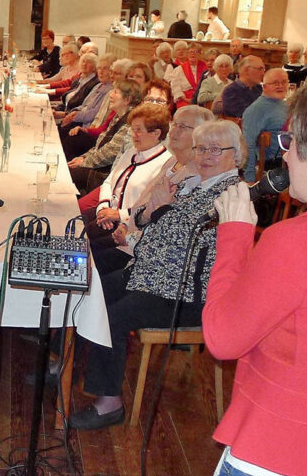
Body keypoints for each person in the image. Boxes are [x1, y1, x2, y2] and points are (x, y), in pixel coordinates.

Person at [203, 72, 307, 476]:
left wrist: (235, 237)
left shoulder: (296, 241)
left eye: (290, 143)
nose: (285, 155)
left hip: (278, 456)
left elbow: (223, 338)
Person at [69, 119, 243, 430]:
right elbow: (148, 219)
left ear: (238, 154)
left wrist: (160, 210)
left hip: (184, 292)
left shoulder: (233, 193)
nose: (205, 155)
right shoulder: (198, 183)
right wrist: (156, 211)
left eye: (216, 149)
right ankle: (67, 364)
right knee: (90, 290)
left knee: (111, 316)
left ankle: (109, 403)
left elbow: (185, 237)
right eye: (201, 147)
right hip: (151, 274)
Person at [83, 104, 173, 255]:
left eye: (139, 130)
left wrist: (118, 214)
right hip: (106, 215)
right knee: (73, 224)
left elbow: (150, 204)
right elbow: (108, 182)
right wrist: (103, 208)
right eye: (133, 129)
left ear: (156, 133)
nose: (133, 134)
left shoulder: (164, 164)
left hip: (127, 226)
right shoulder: (131, 152)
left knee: (87, 247)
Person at [67, 79, 143, 193]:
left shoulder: (130, 122)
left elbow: (110, 153)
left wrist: (84, 162)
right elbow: (100, 145)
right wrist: (83, 157)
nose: (110, 95)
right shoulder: (118, 116)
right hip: (99, 166)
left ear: (127, 99)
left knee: (68, 174)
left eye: (116, 92)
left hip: (106, 174)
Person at [241, 68, 289, 182]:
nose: (280, 86)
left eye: (284, 82)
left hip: (290, 160)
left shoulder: (284, 104)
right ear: (265, 86)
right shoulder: (256, 109)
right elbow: (248, 144)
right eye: (275, 83)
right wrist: (250, 178)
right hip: (276, 166)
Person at [170, 42, 207, 108]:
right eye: (190, 52)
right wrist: (186, 99)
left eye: (195, 51)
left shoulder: (206, 68)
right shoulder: (179, 69)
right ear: (187, 54)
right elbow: (175, 87)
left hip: (202, 98)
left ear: (200, 54)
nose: (192, 54)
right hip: (185, 100)